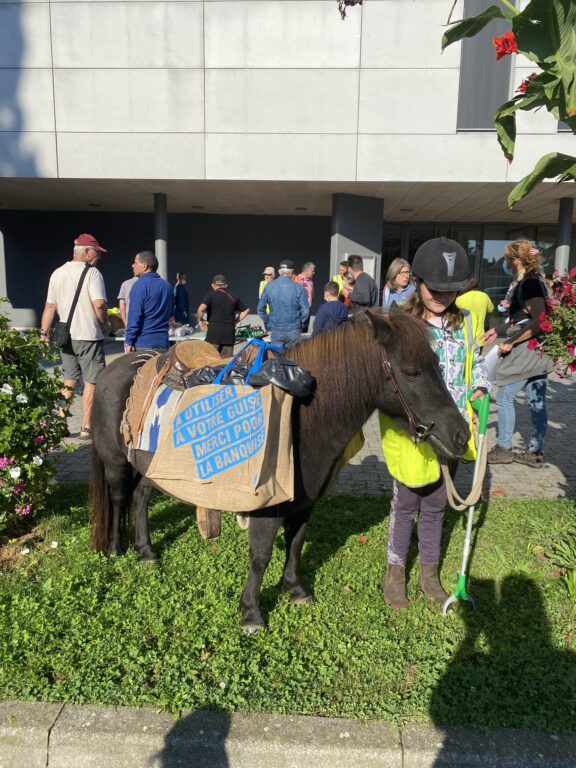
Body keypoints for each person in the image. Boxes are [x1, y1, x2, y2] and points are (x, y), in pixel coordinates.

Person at [381, 237, 490, 610]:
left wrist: (480, 387)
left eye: (452, 290)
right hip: (414, 431)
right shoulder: (401, 321)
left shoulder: (466, 321)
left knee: (436, 504)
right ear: (418, 281)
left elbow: (475, 366)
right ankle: (395, 571)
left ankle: (429, 572)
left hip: (451, 429)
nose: (443, 296)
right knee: (406, 502)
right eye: (435, 288)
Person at [484, 240, 553, 468]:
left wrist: (510, 342)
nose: (505, 263)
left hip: (526, 352)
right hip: (539, 352)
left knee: (504, 396)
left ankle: (504, 448)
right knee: (536, 401)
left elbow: (539, 321)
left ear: (518, 260)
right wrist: (497, 330)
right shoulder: (532, 282)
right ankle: (535, 452)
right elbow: (522, 319)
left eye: (507, 259)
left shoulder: (530, 284)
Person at [40, 233, 110, 440]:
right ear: (86, 252)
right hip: (88, 333)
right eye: (97, 253)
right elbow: (99, 304)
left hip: (64, 335)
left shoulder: (57, 273)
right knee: (92, 380)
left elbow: (50, 306)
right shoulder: (93, 273)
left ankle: (61, 421)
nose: (98, 257)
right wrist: (105, 323)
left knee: (68, 380)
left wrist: (44, 333)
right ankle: (86, 426)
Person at [124, 251, 173, 353]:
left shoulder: (139, 285)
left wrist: (128, 341)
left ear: (144, 266)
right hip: (163, 344)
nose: (132, 265)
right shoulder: (167, 286)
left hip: (143, 343)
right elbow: (171, 313)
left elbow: (134, 317)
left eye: (135, 262)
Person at [257, 259, 309, 350]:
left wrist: (269, 322)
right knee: (294, 360)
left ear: (279, 272)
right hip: (294, 330)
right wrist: (299, 324)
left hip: (276, 330)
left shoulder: (269, 286)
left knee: (277, 360)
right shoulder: (299, 288)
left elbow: (260, 309)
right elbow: (305, 311)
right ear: (292, 272)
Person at [196, 274, 250, 357]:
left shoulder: (210, 295)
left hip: (213, 335)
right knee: (225, 363)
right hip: (228, 334)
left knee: (210, 361)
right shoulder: (233, 296)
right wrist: (235, 321)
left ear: (213, 285)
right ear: (226, 285)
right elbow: (246, 310)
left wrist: (200, 320)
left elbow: (201, 309)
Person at [455, 275, 494, 351]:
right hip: (480, 338)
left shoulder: (459, 299)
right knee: (477, 361)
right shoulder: (484, 296)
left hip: (464, 338)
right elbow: (491, 309)